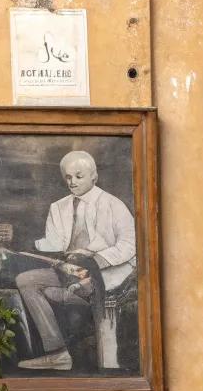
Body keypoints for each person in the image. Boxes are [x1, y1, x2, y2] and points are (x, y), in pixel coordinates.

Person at [13, 150, 137, 371]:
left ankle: (97, 354)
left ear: (94, 177)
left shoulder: (113, 204)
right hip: (69, 272)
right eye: (68, 177)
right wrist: (28, 245)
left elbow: (130, 244)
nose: (72, 182)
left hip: (104, 273)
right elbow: (54, 243)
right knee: (25, 280)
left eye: (79, 176)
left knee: (54, 292)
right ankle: (58, 353)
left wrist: (96, 260)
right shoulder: (58, 207)